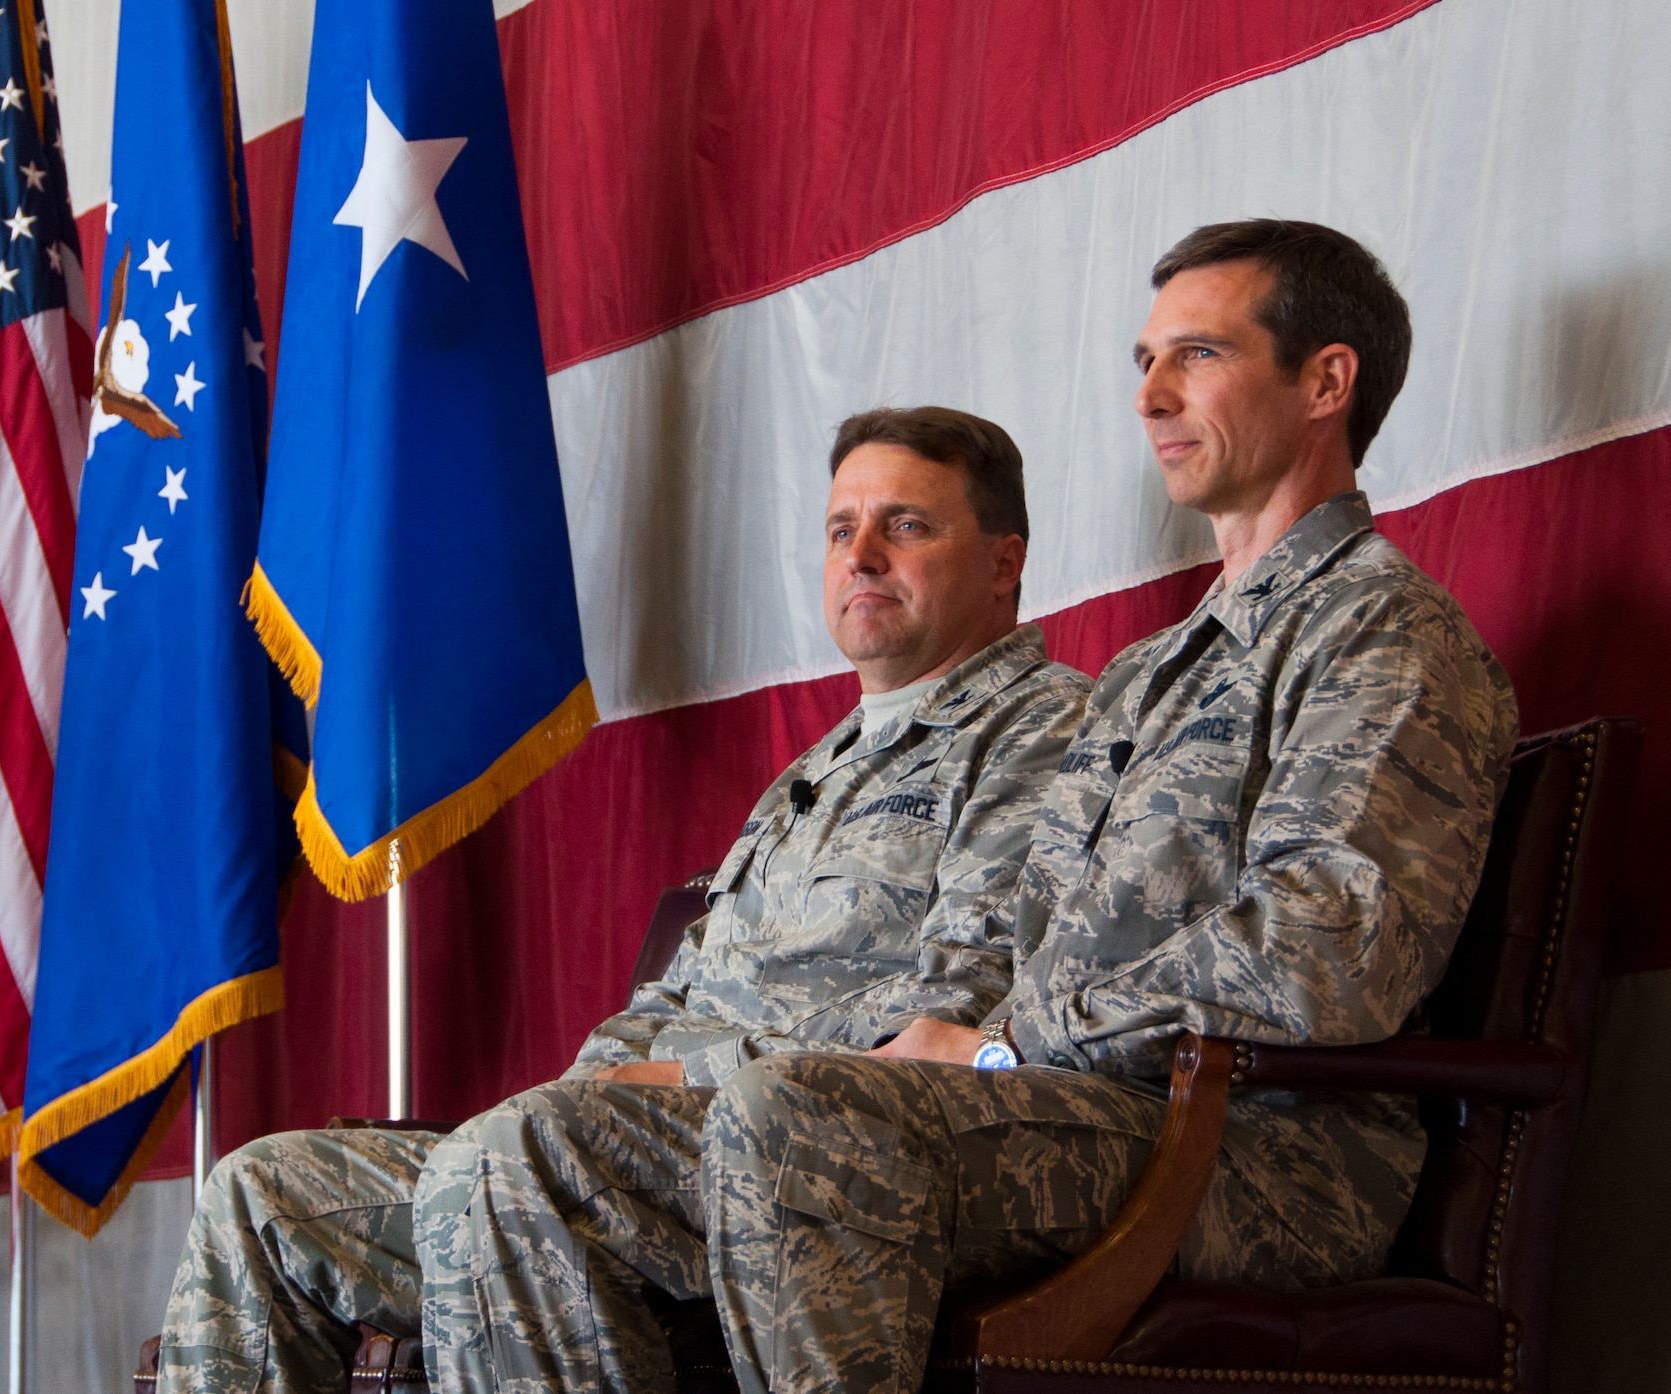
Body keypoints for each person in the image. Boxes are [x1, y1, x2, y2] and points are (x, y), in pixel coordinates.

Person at [413, 220, 1520, 1394]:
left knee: (795, 1113)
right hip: (1062, 1107)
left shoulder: (1384, 631)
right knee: (544, 1149)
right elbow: (1006, 932)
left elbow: (1323, 950)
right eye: (1141, 362)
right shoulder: (1147, 673)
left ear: (1324, 381)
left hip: (1249, 1148)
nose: (1148, 395)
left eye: (1193, 355)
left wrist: (1011, 1040)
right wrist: (973, 1040)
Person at [154, 406, 1091, 1393]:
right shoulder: (813, 772)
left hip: (812, 1157)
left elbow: (952, 1010)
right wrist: (589, 1083)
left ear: (1000, 563)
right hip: (637, 1148)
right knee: (260, 1195)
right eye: (837, 527)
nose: (858, 554)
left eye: (904, 524)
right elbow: (668, 1005)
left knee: (520, 1159)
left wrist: (680, 1080)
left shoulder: (1042, 731)